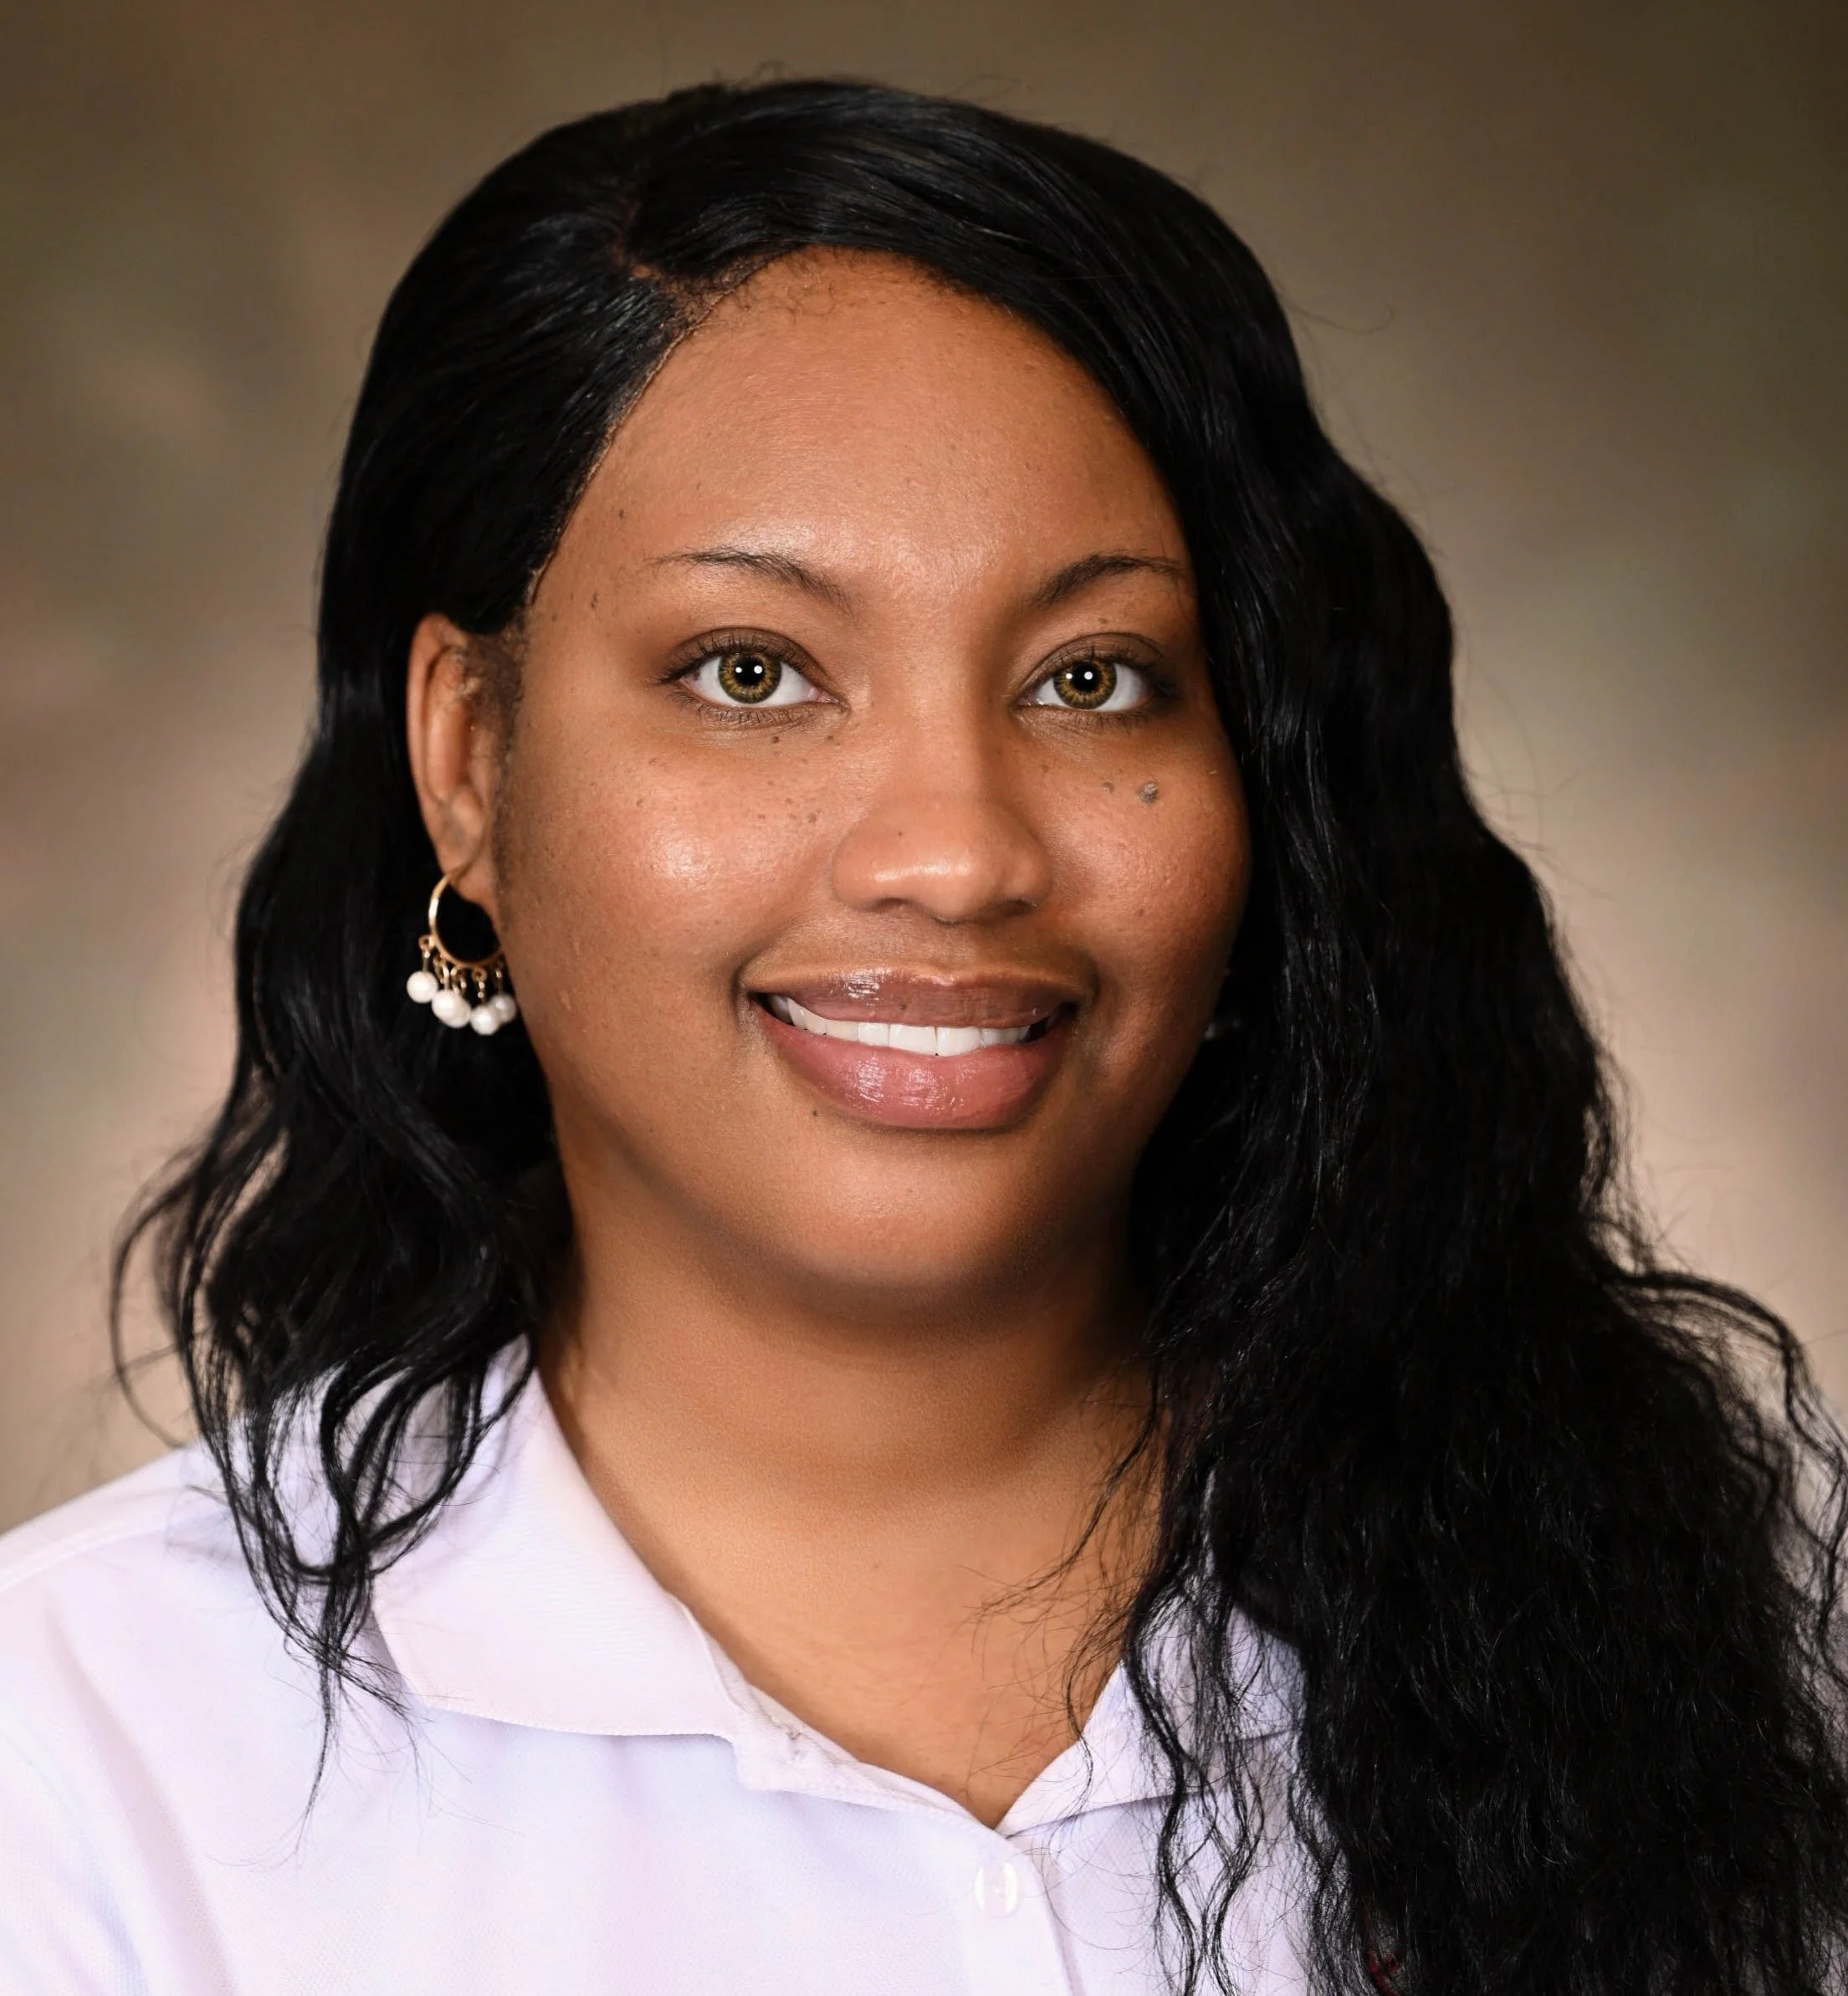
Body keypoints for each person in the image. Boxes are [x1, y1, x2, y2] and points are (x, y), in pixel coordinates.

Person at [1, 78, 1843, 1996]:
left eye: (1094, 678)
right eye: (752, 671)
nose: (959, 853)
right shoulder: (73, 1770)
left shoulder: (1770, 1631)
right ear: (471, 758)